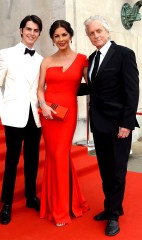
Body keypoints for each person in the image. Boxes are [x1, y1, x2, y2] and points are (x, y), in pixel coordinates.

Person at [83, 15, 139, 236]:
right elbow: (93, 89)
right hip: (99, 124)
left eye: (99, 31)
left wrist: (127, 122)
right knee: (105, 170)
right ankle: (111, 207)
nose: (96, 35)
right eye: (91, 33)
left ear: (107, 31)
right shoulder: (92, 58)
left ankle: (114, 216)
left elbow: (132, 91)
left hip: (118, 125)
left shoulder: (124, 54)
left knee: (117, 171)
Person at [0, 15, 43, 225]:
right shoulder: (6, 54)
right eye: (28, 29)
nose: (31, 33)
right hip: (13, 117)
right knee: (12, 160)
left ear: (39, 33)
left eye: (36, 30)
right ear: (21, 30)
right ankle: (7, 203)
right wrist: (1, 109)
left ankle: (31, 197)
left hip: (34, 117)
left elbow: (41, 88)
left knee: (32, 160)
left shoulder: (41, 59)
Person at [37, 20, 89, 226]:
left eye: (64, 35)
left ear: (70, 35)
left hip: (68, 114)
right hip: (49, 113)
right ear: (52, 38)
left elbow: (94, 84)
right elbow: (40, 88)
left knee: (60, 154)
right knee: (55, 156)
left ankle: (61, 209)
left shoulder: (82, 59)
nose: (61, 39)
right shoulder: (47, 61)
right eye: (56, 36)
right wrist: (43, 104)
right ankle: (61, 204)